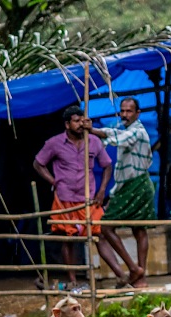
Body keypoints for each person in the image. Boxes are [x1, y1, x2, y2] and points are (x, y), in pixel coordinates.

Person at [33, 105, 119, 291]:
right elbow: (38, 163)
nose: (81, 124)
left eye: (83, 120)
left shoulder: (94, 141)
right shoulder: (54, 143)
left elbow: (107, 166)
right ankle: (72, 280)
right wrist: (53, 181)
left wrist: (102, 189)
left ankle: (121, 275)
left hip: (89, 198)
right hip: (65, 198)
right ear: (67, 124)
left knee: (100, 234)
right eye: (77, 121)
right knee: (68, 239)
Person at [85, 97, 155, 287]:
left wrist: (92, 130)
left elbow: (117, 138)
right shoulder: (129, 130)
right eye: (122, 111)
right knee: (137, 229)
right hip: (129, 185)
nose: (124, 114)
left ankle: (135, 270)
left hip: (137, 184)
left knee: (108, 227)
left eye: (129, 111)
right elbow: (115, 133)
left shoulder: (138, 132)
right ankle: (139, 276)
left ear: (137, 113)